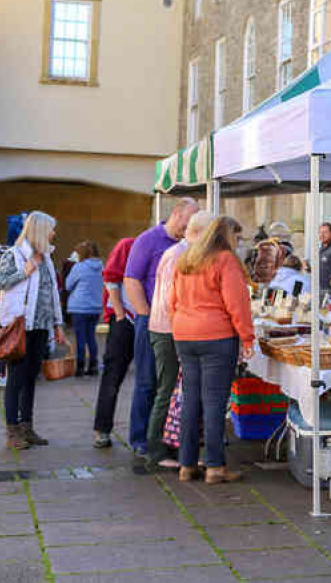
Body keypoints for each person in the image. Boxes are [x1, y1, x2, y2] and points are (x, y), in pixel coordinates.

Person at [169, 216, 254, 484]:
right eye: (237, 238)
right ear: (227, 236)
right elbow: (237, 303)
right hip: (216, 336)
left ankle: (187, 464)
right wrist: (247, 338)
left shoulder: (186, 259)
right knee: (215, 403)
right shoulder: (225, 260)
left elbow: (171, 302)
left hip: (185, 335)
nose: (238, 243)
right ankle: (215, 466)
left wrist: (180, 325)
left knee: (191, 401)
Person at [123, 197, 199, 455]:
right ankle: (140, 439)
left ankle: (164, 439)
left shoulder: (186, 245)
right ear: (177, 214)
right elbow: (131, 280)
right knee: (147, 381)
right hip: (152, 322)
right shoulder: (148, 240)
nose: (188, 230)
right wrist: (146, 315)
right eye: (187, 223)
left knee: (168, 385)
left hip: (177, 325)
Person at [145, 210, 214, 470]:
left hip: (171, 329)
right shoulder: (180, 255)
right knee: (168, 390)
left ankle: (171, 448)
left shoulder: (180, 253)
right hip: (169, 330)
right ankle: (157, 451)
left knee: (174, 391)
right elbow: (172, 300)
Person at [0, 211, 66, 450]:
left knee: (32, 378)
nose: (54, 233)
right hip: (20, 326)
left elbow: (52, 293)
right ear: (39, 230)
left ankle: (27, 426)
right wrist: (24, 271)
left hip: (41, 327)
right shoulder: (14, 255)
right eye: (51, 229)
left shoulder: (47, 258)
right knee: (16, 379)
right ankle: (12, 431)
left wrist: (58, 324)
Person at [92, 237, 136, 448]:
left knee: (148, 380)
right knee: (113, 376)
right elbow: (110, 277)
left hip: (148, 321)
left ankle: (143, 434)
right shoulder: (128, 245)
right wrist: (119, 313)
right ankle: (102, 429)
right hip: (125, 320)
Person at [66, 240, 103, 377]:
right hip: (95, 307)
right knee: (91, 337)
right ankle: (93, 365)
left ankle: (80, 367)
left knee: (80, 338)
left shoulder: (79, 267)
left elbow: (68, 285)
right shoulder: (101, 267)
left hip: (79, 307)